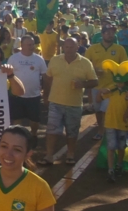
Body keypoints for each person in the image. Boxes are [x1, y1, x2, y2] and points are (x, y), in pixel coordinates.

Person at [42, 37, 98, 165]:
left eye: (71, 47)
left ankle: (70, 154)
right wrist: (46, 96)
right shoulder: (55, 60)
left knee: (72, 132)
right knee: (51, 130)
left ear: (77, 47)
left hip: (74, 104)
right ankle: (49, 156)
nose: (68, 49)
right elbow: (47, 78)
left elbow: (95, 81)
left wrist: (82, 84)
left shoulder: (85, 63)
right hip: (55, 102)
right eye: (66, 47)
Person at [84, 24, 128, 141]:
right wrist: (94, 70)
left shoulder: (120, 49)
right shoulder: (92, 49)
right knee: (98, 110)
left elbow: (125, 66)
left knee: (106, 110)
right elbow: (85, 64)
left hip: (112, 87)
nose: (110, 35)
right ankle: (100, 129)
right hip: (96, 86)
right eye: (108, 32)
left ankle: (107, 132)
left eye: (112, 33)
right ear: (102, 34)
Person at [99, 60, 128, 182]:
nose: (118, 84)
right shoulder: (112, 89)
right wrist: (102, 92)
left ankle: (119, 165)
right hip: (110, 122)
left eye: (121, 82)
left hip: (124, 123)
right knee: (111, 146)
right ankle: (110, 170)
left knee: (121, 146)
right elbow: (98, 99)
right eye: (117, 82)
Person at [6, 35, 47, 137]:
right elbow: (7, 76)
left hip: (34, 96)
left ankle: (33, 136)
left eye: (33, 44)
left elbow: (45, 76)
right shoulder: (13, 58)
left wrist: (45, 92)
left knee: (35, 121)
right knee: (17, 119)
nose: (31, 46)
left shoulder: (39, 59)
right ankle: (18, 138)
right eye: (29, 44)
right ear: (22, 45)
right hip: (17, 96)